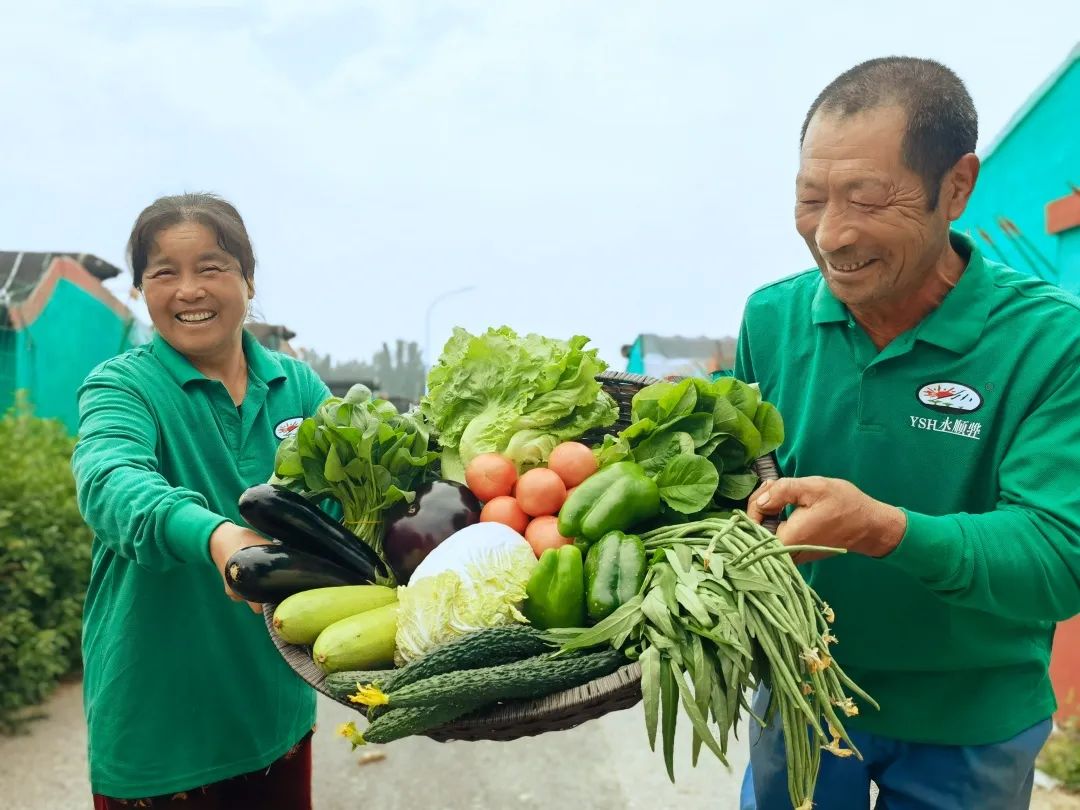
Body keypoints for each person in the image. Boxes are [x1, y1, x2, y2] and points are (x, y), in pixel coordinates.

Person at [735, 57, 1080, 809]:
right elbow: (737, 492)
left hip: (970, 723)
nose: (830, 235)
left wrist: (884, 529)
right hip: (799, 697)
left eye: (866, 199)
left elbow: (1060, 556)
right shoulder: (771, 320)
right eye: (810, 199)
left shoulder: (1053, 343)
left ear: (956, 187)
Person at [73, 194, 331, 808]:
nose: (189, 290)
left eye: (211, 267)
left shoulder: (298, 387)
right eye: (164, 272)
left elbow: (358, 510)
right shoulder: (123, 386)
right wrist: (217, 536)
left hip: (276, 716)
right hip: (157, 736)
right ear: (139, 290)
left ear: (247, 279)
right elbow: (110, 480)